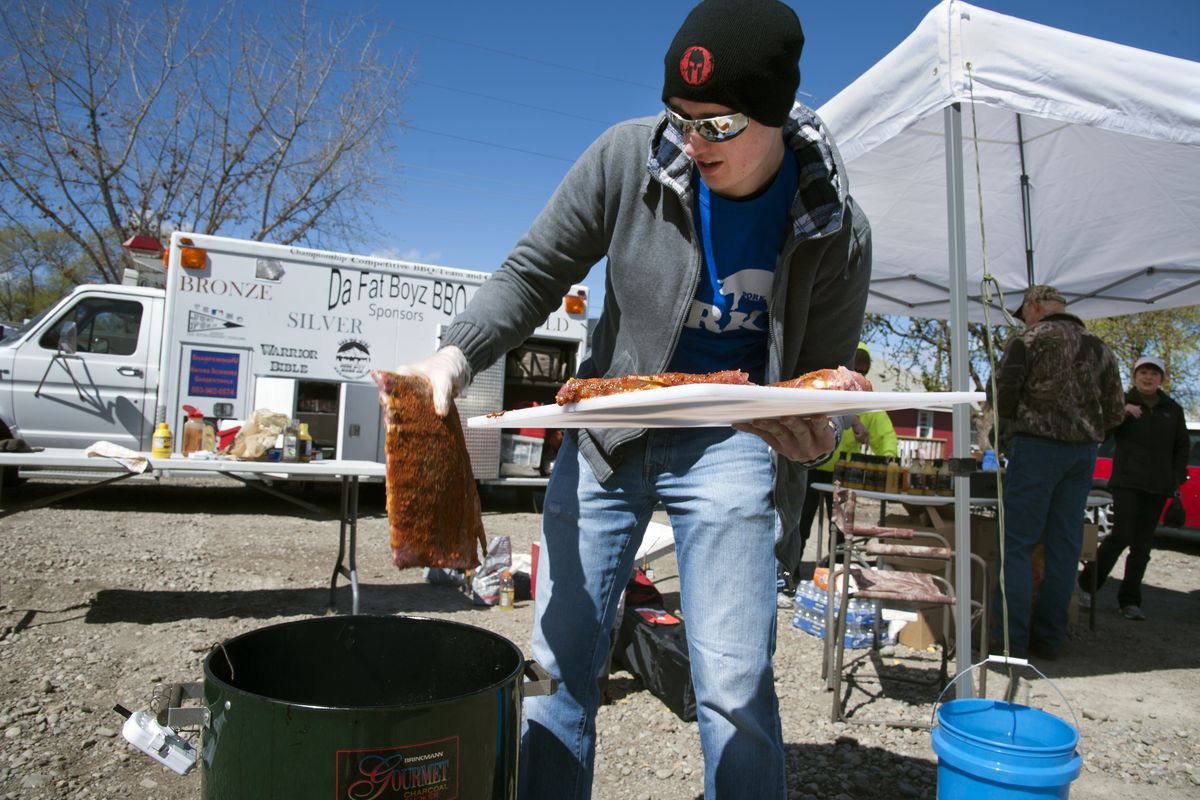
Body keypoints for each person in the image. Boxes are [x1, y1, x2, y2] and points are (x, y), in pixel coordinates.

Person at [392, 1, 872, 796]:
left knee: (733, 684)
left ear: (776, 116)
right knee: (556, 669)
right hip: (606, 434)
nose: (692, 143)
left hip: (730, 443)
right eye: (680, 117)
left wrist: (813, 439)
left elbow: (818, 384)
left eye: (717, 126)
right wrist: (455, 355)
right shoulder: (626, 158)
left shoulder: (835, 228)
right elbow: (533, 271)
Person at [989, 284, 1124, 660]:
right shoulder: (1099, 347)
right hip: (1083, 454)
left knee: (1016, 545)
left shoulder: (1027, 341)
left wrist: (1004, 437)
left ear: (1034, 306)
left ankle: (1010, 642)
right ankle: (1049, 639)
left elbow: (1002, 397)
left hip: (1035, 449)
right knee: (1064, 548)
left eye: (1024, 312)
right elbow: (1115, 410)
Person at [779, 342, 897, 591]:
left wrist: (888, 457)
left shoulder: (867, 402)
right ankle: (790, 573)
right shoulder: (822, 390)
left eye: (864, 370)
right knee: (801, 523)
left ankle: (840, 575)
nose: (860, 374)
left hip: (844, 475)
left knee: (842, 529)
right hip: (811, 469)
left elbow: (884, 434)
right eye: (856, 367)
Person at [1077, 356, 1188, 621]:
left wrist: (1176, 476)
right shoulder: (1121, 402)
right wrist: (1122, 413)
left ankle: (1129, 601)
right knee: (1120, 536)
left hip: (1159, 486)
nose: (1148, 378)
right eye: (1143, 372)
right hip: (1127, 482)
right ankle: (1087, 585)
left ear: (1162, 378)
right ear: (1135, 376)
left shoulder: (1172, 409)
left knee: (1143, 545)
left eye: (1154, 373)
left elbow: (1182, 445)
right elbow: (1101, 432)